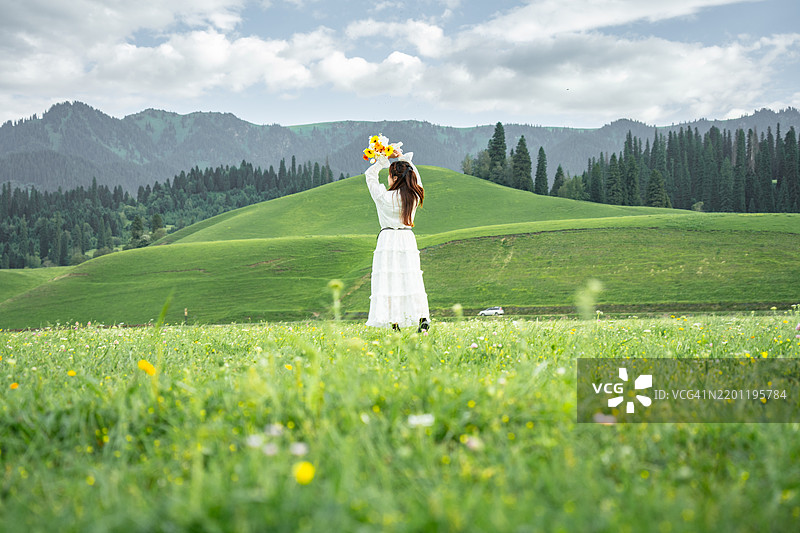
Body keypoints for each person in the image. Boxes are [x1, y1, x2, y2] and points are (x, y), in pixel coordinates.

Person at [364, 149, 430, 332]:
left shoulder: (383, 196)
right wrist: (401, 157)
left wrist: (382, 161)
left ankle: (394, 323)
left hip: (387, 240)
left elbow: (369, 175)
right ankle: (422, 318)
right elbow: (415, 175)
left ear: (394, 178)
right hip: (407, 239)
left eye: (390, 176)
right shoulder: (414, 197)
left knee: (388, 279)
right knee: (412, 278)